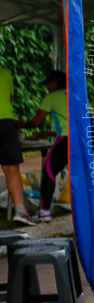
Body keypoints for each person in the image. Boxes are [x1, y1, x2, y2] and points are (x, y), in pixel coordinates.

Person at [21, 70, 70, 223]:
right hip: (82, 139)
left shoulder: (51, 97)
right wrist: (49, 133)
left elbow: (36, 121)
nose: (47, 87)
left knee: (49, 172)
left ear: (55, 83)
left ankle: (44, 212)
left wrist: (21, 124)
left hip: (64, 140)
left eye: (49, 83)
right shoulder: (74, 94)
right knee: (85, 176)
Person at [0, 66, 33, 225]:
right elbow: (10, 98)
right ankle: (20, 211)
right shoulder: (6, 72)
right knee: (11, 168)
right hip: (6, 122)